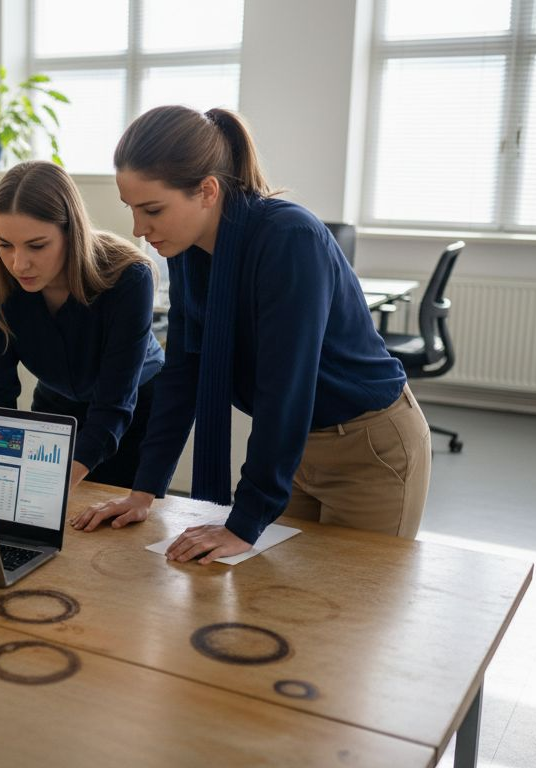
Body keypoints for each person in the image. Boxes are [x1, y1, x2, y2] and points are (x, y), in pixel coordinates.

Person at [72, 105, 432, 564]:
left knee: (352, 615)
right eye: (132, 210)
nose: (139, 230)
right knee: (279, 607)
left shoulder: (289, 238)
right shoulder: (187, 251)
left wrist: (244, 521)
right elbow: (183, 375)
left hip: (368, 450)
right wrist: (144, 492)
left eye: (152, 210)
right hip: (297, 452)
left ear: (206, 190)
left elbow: (286, 387)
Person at [0, 161, 164, 488]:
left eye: (37, 245)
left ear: (71, 232)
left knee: (117, 524)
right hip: (57, 406)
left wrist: (59, 481)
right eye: (5, 244)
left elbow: (114, 403)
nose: (19, 263)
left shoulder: (129, 278)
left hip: (137, 409)